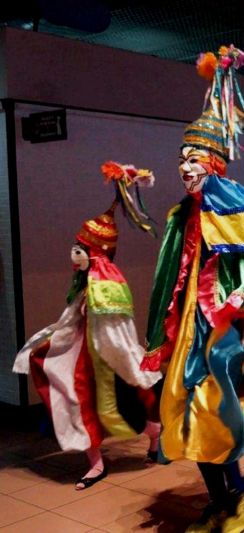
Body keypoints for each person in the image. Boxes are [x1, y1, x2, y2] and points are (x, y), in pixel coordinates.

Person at [142, 46, 244, 532]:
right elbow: (172, 276)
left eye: (195, 158)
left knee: (212, 412)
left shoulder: (240, 207)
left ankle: (239, 493)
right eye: (182, 158)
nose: (185, 167)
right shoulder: (180, 214)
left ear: (215, 164)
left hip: (221, 328)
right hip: (187, 325)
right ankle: (217, 498)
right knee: (183, 413)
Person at [14, 162, 162, 490]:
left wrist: (120, 360)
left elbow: (118, 331)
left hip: (108, 353)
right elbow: (74, 316)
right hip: (84, 349)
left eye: (80, 248)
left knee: (137, 394)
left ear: (97, 252)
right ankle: (95, 463)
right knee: (78, 398)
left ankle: (154, 436)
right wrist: (52, 339)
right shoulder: (85, 279)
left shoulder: (107, 281)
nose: (73, 253)